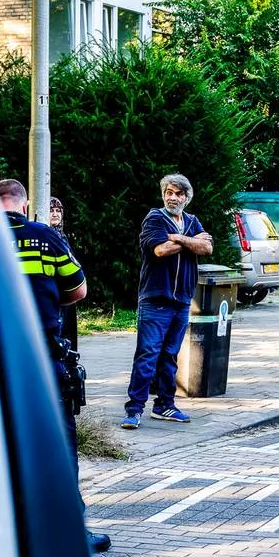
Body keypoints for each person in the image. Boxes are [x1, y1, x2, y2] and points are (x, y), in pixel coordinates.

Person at [0, 179, 111, 553]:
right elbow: (78, 290)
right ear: (25, 206)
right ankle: (69, 532)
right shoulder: (45, 237)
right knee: (60, 445)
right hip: (43, 359)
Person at [121, 173, 213, 430]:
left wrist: (179, 238)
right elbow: (160, 250)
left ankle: (164, 405)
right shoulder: (154, 218)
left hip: (182, 300)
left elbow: (207, 248)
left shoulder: (191, 221)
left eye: (178, 193)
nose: (172, 197)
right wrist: (191, 242)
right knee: (148, 354)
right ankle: (134, 409)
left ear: (187, 197)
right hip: (156, 298)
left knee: (170, 356)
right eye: (168, 192)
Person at [48, 196, 80, 353]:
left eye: (58, 211)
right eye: (51, 210)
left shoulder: (62, 235)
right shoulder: (45, 235)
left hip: (67, 292)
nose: (55, 214)